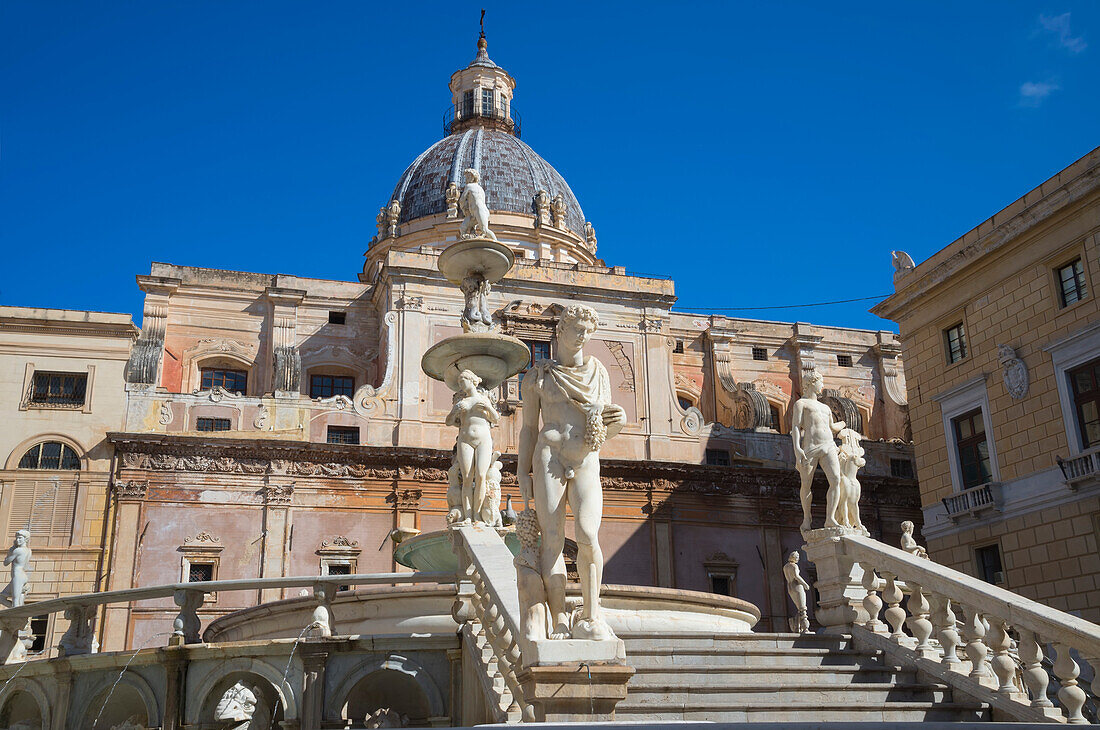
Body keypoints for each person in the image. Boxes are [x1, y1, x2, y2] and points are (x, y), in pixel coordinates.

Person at [517, 304, 626, 640]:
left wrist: (617, 423)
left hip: (585, 457)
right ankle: (560, 618)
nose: (582, 337)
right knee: (552, 539)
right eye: (576, 329)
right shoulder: (537, 377)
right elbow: (528, 429)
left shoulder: (599, 373)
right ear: (560, 330)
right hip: (548, 454)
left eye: (587, 331)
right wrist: (522, 472)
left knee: (587, 534)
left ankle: (592, 616)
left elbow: (604, 426)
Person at [791, 370, 845, 533]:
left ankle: (830, 518)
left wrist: (842, 424)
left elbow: (832, 427)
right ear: (811, 383)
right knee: (806, 483)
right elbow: (795, 426)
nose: (822, 385)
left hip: (828, 445)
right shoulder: (801, 404)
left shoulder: (825, 407)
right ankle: (807, 518)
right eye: (820, 382)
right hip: (810, 447)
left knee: (836, 480)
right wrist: (797, 448)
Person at [446, 369, 501, 524]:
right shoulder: (461, 403)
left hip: (483, 439)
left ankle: (478, 516)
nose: (461, 385)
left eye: (462, 382)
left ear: (471, 381)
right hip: (465, 439)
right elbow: (448, 421)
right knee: (467, 477)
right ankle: (468, 516)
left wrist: (488, 408)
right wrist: (454, 411)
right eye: (459, 383)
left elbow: (496, 419)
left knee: (482, 476)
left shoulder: (483, 399)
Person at [782, 551, 811, 633]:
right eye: (797, 557)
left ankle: (796, 627)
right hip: (797, 586)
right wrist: (805, 584)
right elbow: (796, 576)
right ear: (793, 557)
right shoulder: (794, 566)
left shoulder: (785, 567)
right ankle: (805, 628)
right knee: (803, 608)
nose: (798, 558)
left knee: (799, 609)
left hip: (790, 587)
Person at [1, 530, 31, 608]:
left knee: (15, 601)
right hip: (22, 576)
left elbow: (6, 562)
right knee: (2, 598)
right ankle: (18, 612)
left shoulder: (17, 550)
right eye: (17, 538)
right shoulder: (28, 551)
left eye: (20, 538)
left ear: (26, 539)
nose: (18, 540)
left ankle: (17, 613)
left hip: (17, 576)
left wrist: (11, 549)